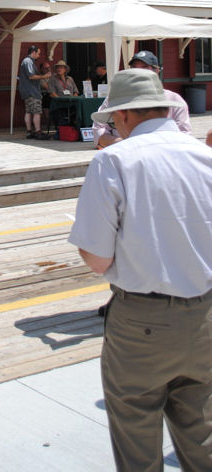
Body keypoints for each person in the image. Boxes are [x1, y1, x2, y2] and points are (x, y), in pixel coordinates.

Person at [69, 68, 212, 471]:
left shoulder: (114, 160)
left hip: (142, 319)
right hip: (204, 314)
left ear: (125, 115)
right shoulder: (205, 157)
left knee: (137, 441)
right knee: (202, 437)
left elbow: (96, 258)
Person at [93, 50, 191, 148]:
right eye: (134, 68)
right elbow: (98, 131)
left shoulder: (174, 99)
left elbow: (184, 135)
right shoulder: (115, 98)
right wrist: (124, 144)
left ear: (157, 71)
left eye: (144, 68)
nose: (138, 72)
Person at [18, 45, 51, 139]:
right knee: (36, 112)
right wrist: (44, 76)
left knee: (28, 111)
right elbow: (31, 76)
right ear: (33, 52)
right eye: (38, 53)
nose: (39, 55)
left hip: (27, 91)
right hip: (32, 91)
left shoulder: (27, 61)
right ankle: (38, 132)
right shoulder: (28, 61)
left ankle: (29, 132)